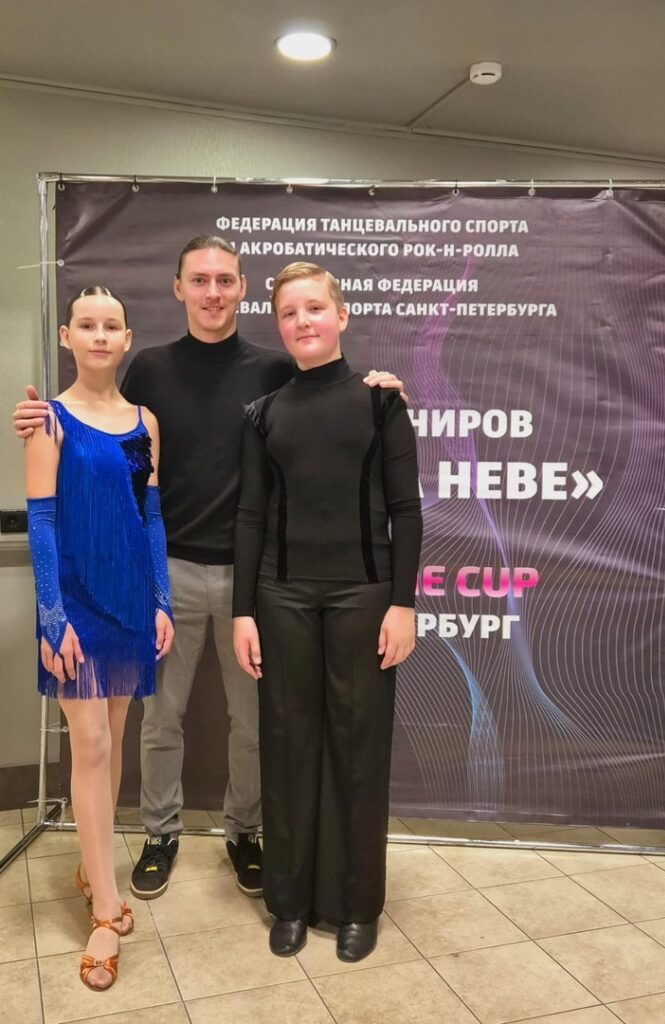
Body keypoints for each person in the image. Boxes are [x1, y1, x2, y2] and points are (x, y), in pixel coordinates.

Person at [14, 235, 406, 902]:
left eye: (225, 279)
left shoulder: (273, 369)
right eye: (200, 280)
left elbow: (328, 392)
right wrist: (38, 417)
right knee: (161, 720)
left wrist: (381, 387)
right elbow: (101, 426)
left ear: (243, 288)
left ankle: (243, 833)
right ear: (179, 289)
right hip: (162, 573)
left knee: (250, 722)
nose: (213, 291)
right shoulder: (149, 369)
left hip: (255, 579)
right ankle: (159, 834)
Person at [233, 262, 422, 962]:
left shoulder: (381, 403)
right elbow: (251, 516)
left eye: (314, 308)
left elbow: (406, 511)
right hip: (281, 597)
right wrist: (242, 611)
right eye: (289, 313)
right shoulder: (263, 414)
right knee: (287, 744)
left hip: (363, 597)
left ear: (340, 316)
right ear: (279, 326)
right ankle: (289, 900)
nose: (302, 321)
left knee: (357, 749)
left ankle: (355, 905)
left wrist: (402, 604)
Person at [25, 286, 174, 990]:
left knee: (110, 743)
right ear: (67, 336)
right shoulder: (48, 421)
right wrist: (52, 617)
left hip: (130, 603)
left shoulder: (145, 421)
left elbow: (152, 515)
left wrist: (161, 600)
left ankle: (92, 869)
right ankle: (106, 910)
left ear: (126, 338)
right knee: (87, 743)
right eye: (86, 324)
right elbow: (42, 521)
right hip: (75, 606)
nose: (99, 335)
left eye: (111, 325)